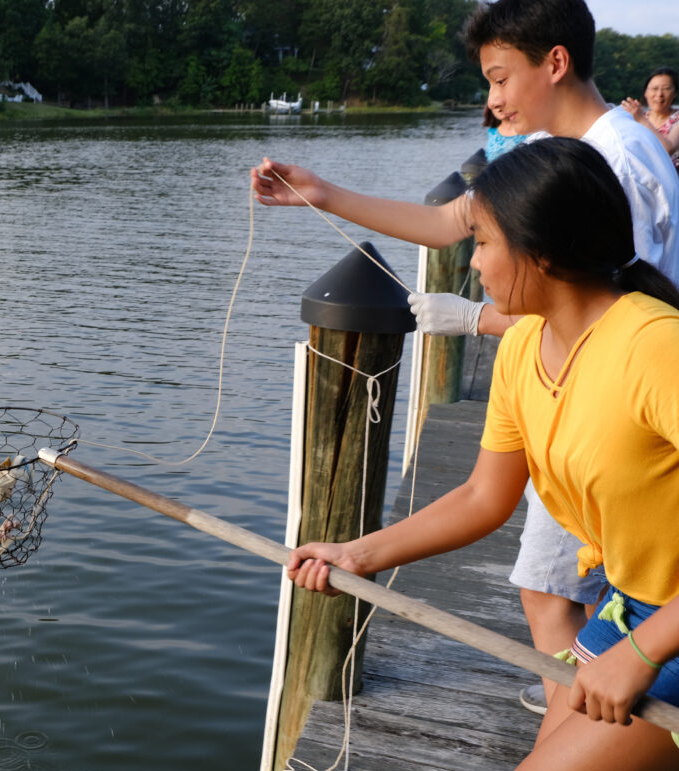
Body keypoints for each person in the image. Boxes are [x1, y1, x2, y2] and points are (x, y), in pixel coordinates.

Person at [251, 0, 679, 716]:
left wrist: (480, 319)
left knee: (557, 595)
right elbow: (451, 223)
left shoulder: (616, 171)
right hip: (593, 450)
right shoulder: (551, 163)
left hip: (609, 423)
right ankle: (582, 710)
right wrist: (322, 194)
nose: (493, 99)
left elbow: (587, 296)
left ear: (556, 62)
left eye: (500, 77)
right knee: (563, 592)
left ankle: (587, 711)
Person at [287, 136, 679, 771]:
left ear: (543, 252)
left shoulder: (653, 345)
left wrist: (642, 655)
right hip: (634, 603)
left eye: (486, 242)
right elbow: (481, 497)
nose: (473, 261)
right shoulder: (526, 344)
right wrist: (356, 554)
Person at [622, 67, 679, 173]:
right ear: (646, 93)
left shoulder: (640, 118)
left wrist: (641, 119)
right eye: (654, 89)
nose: (659, 94)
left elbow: (667, 149)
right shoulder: (635, 117)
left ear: (675, 93)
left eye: (666, 88)